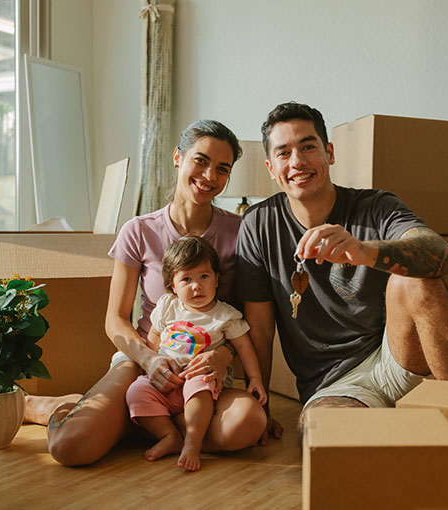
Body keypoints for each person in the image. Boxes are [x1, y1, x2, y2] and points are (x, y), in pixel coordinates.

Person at [236, 102, 448, 442]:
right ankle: (409, 435)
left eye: (308, 147)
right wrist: (261, 409)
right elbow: (261, 330)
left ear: (329, 153)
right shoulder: (257, 226)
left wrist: (364, 251)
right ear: (270, 167)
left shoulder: (377, 207)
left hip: (399, 357)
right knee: (328, 442)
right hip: (336, 385)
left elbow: (443, 255)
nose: (297, 162)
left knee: (413, 279)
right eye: (284, 153)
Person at [25, 120, 268, 466]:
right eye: (200, 161)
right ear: (177, 157)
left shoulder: (239, 231)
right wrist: (149, 360)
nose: (209, 176)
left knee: (248, 425)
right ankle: (72, 409)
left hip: (205, 370)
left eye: (222, 169)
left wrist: (225, 355)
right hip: (145, 359)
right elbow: (115, 320)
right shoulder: (139, 230)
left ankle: (135, 422)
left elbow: (246, 318)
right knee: (69, 446)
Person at [126, 235, 267, 471]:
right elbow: (153, 339)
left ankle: (192, 442)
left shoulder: (225, 315)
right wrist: (151, 366)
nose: (196, 285)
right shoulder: (167, 306)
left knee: (198, 383)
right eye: (186, 279)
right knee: (136, 392)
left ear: (216, 279)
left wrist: (255, 379)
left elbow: (244, 346)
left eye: (204, 276)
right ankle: (170, 435)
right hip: (168, 379)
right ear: (172, 285)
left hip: (203, 381)